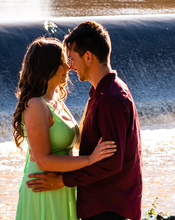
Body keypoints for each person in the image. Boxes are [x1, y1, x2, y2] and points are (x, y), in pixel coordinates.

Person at [26, 21, 143, 220]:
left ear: (88, 57)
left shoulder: (110, 98)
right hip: (102, 204)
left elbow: (111, 163)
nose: (70, 67)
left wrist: (63, 180)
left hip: (109, 207)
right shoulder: (99, 93)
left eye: (71, 58)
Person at [13, 37, 117, 220]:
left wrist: (95, 100)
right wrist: (90, 160)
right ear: (48, 67)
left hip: (61, 184)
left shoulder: (56, 101)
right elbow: (44, 160)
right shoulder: (36, 104)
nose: (68, 67)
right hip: (43, 185)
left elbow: (78, 140)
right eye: (62, 63)